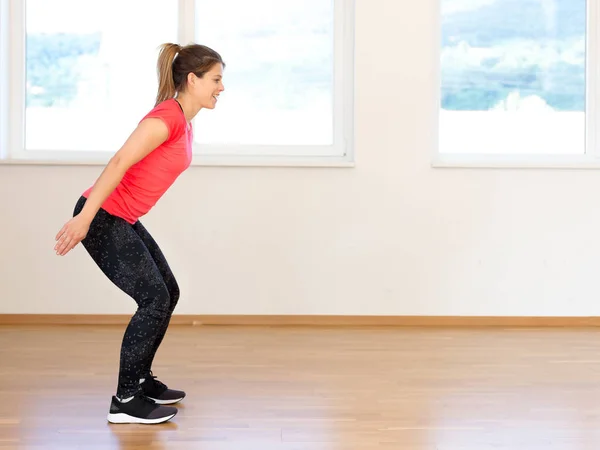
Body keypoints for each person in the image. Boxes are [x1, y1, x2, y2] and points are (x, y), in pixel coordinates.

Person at [53, 42, 225, 424]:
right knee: (154, 299)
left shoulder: (185, 119)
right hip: (102, 217)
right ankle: (126, 399)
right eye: (216, 79)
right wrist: (84, 219)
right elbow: (119, 161)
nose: (221, 87)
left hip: (120, 217)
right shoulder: (166, 118)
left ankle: (142, 379)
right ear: (193, 79)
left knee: (168, 292)